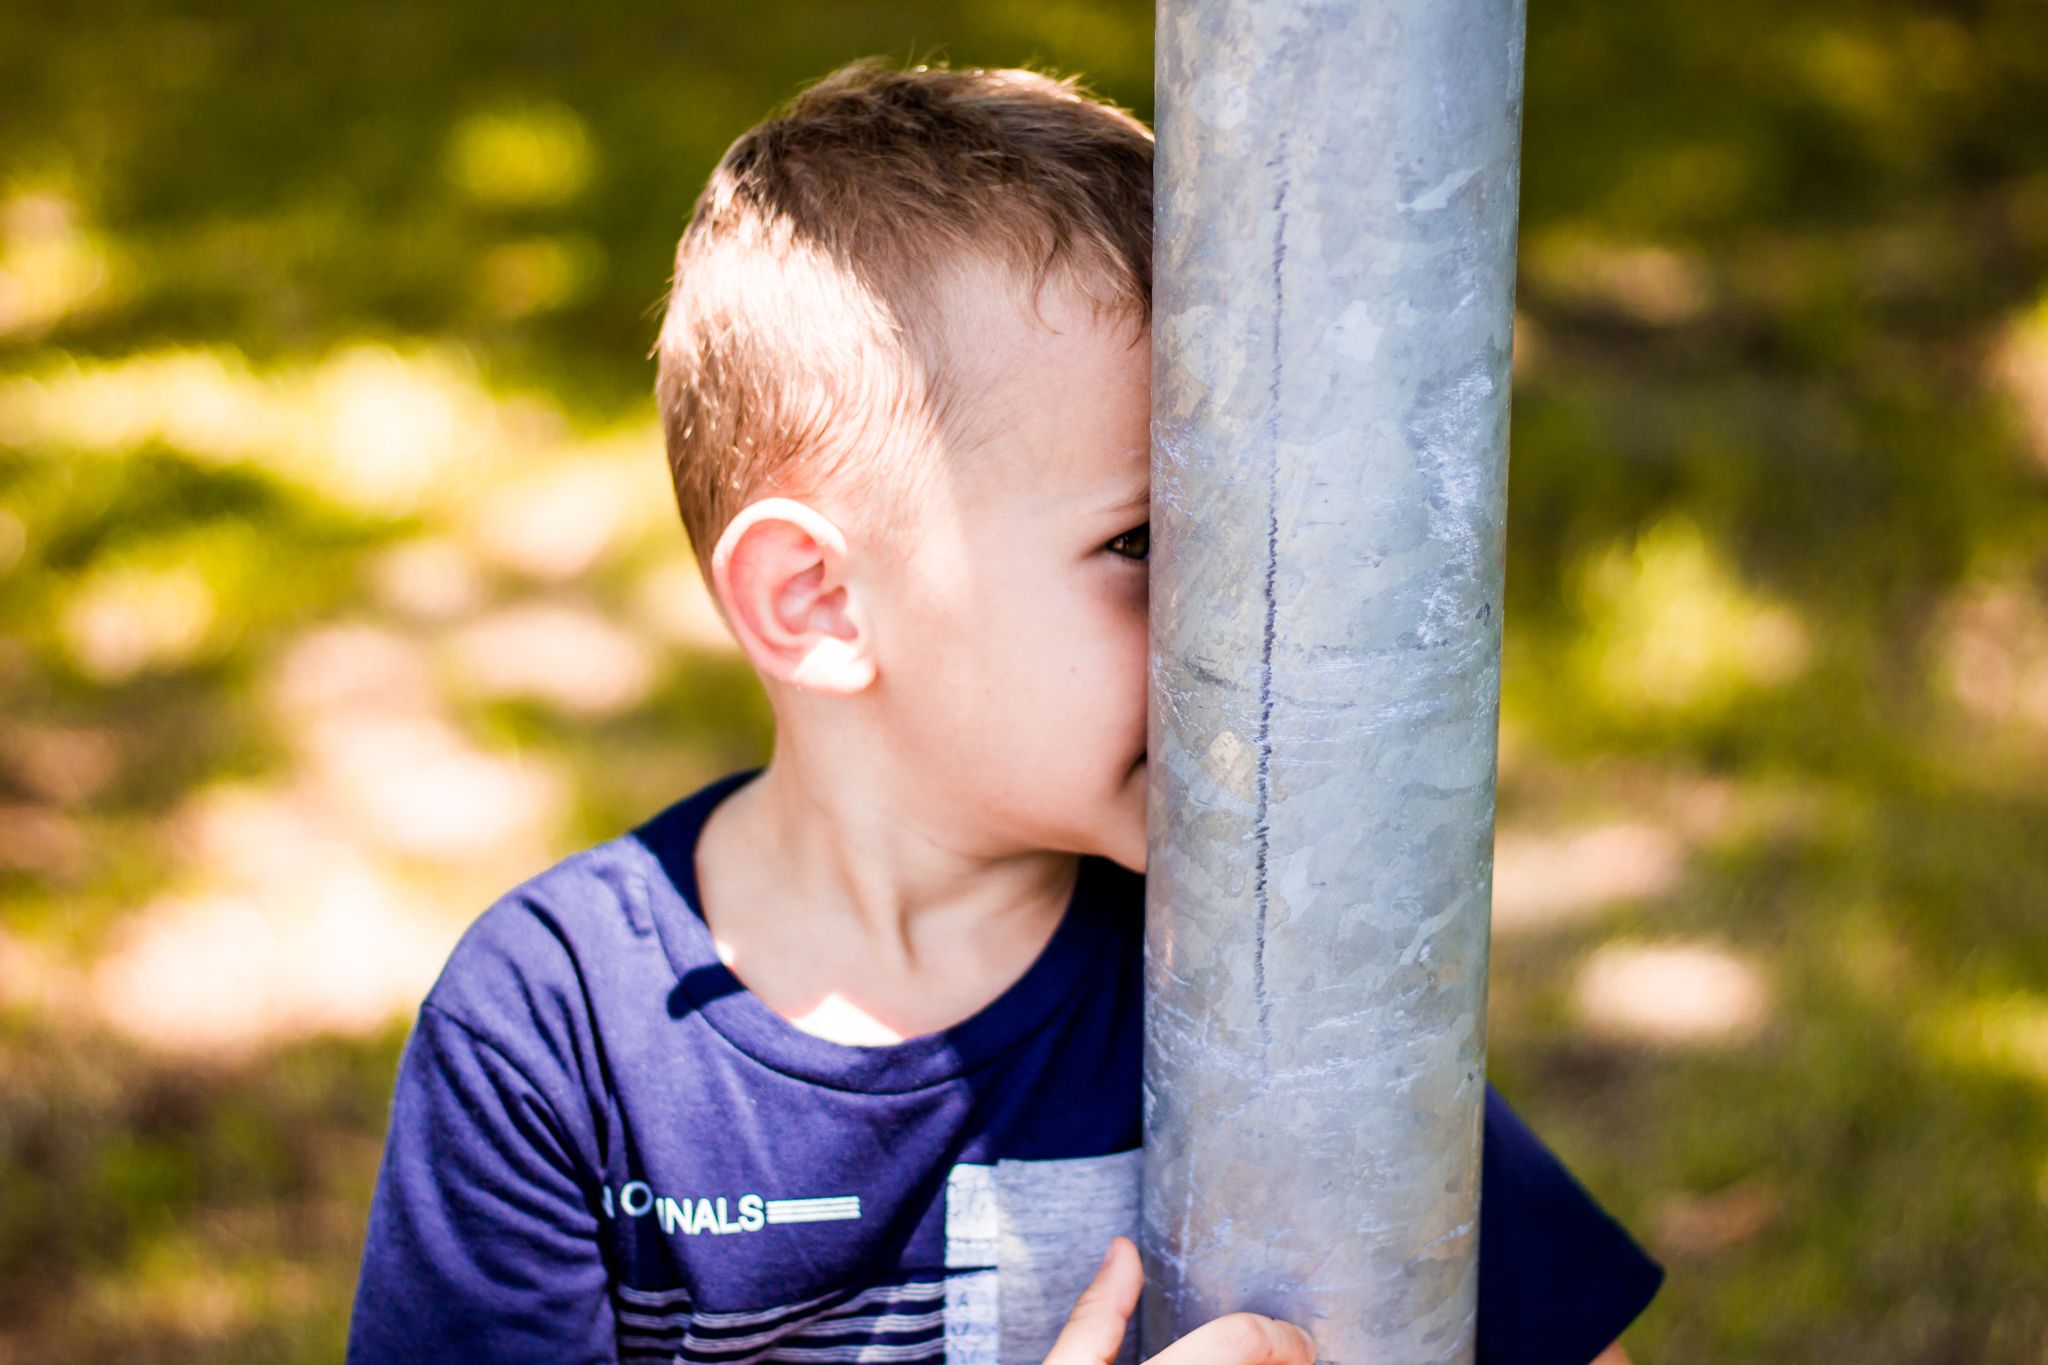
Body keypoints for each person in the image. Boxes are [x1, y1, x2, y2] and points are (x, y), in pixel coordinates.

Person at [346, 59, 1663, 1365]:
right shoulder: (554, 1042)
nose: (1245, 623)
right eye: (1145, 539)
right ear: (817, 600)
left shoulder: (1265, 981)